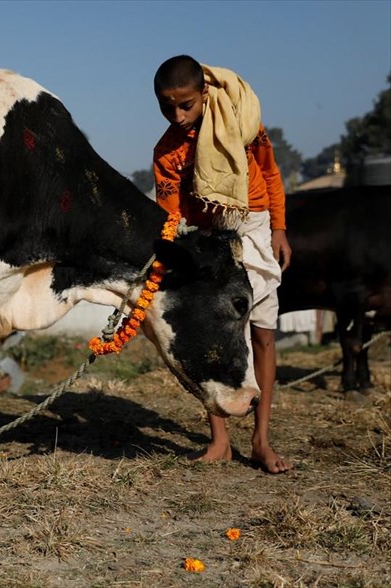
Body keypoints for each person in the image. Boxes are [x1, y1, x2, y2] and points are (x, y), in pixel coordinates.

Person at [152, 55, 293, 474]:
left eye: (185, 105)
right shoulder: (166, 152)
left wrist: (279, 230)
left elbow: (270, 175)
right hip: (210, 247)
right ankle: (220, 441)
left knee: (263, 338)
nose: (176, 115)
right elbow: (170, 217)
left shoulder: (245, 127)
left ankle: (262, 442)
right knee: (218, 338)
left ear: (205, 94)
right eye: (166, 106)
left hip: (255, 229)